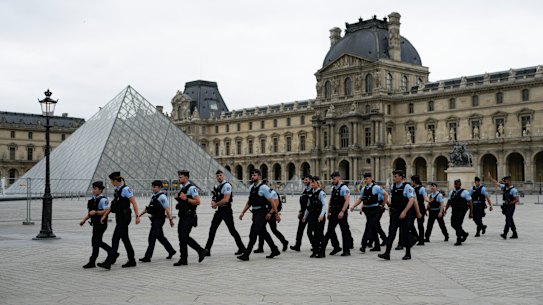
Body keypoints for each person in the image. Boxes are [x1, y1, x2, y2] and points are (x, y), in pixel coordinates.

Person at [97, 172, 141, 270]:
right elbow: (113, 205)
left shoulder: (125, 190)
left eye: (112, 181)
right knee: (125, 239)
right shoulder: (117, 190)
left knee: (115, 238)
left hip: (124, 218)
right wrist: (105, 215)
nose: (111, 183)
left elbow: (134, 202)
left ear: (116, 181)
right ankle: (132, 260)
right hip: (120, 217)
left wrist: (137, 216)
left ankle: (109, 262)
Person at [237, 169, 281, 261]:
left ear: (259, 177)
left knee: (253, 232)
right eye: (252, 175)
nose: (252, 176)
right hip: (255, 213)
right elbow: (250, 201)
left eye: (255, 175)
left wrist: (274, 213)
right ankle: (274, 249)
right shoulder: (252, 188)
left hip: (262, 212)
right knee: (263, 233)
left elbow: (272, 201)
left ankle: (246, 254)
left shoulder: (264, 188)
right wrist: (243, 212)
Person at [204, 170, 245, 256]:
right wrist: (213, 201)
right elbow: (215, 196)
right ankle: (207, 250)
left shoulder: (227, 185)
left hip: (226, 210)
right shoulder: (218, 186)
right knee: (212, 229)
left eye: (220, 175)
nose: (219, 177)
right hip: (220, 210)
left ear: (223, 176)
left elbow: (226, 199)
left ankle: (242, 248)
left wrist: (216, 204)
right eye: (218, 176)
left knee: (232, 230)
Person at [378, 170, 416, 261]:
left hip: (404, 214)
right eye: (393, 176)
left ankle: (408, 253)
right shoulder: (393, 186)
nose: (393, 178)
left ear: (401, 177)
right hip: (395, 213)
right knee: (391, 233)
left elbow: (412, 200)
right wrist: (390, 208)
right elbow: (392, 199)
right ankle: (387, 253)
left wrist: (405, 211)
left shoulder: (407, 187)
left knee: (405, 233)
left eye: (395, 176)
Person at [173, 170, 207, 266]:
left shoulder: (192, 188)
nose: (179, 178)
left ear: (186, 178)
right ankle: (183, 259)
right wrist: (178, 199)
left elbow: (197, 201)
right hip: (183, 216)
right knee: (181, 237)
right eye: (179, 177)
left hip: (189, 216)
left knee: (184, 236)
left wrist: (186, 199)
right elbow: (183, 202)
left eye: (180, 177)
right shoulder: (182, 188)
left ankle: (201, 250)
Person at [138, 180, 176, 263]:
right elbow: (148, 208)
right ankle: (171, 251)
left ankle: (147, 257)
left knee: (152, 237)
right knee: (160, 237)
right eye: (152, 187)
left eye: (154, 187)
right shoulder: (154, 196)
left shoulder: (162, 197)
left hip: (159, 220)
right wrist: (139, 215)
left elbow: (167, 209)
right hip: (155, 219)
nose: (153, 188)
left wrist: (171, 220)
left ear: (159, 188)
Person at [350, 173, 387, 253]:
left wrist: (383, 205)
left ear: (371, 178)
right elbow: (360, 199)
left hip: (375, 209)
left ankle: (363, 245)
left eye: (366, 179)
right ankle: (377, 246)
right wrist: (353, 206)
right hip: (367, 210)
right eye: (364, 179)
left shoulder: (376, 187)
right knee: (373, 227)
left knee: (369, 226)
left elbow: (385, 194)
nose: (365, 180)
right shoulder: (364, 189)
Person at [79, 181, 112, 269]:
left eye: (95, 189)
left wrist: (96, 212)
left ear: (100, 190)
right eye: (92, 188)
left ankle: (93, 261)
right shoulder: (93, 199)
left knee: (96, 242)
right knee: (96, 242)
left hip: (101, 223)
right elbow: (90, 212)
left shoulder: (103, 200)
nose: (93, 190)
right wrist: (84, 220)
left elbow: (107, 210)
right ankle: (112, 253)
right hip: (95, 223)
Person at [323, 171, 353, 256]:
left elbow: (347, 200)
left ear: (339, 178)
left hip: (341, 212)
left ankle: (346, 250)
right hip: (333, 212)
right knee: (330, 230)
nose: (333, 180)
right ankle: (336, 247)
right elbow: (331, 200)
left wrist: (342, 211)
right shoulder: (333, 188)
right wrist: (328, 211)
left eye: (334, 178)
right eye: (332, 178)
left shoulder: (344, 188)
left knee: (344, 231)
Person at [254, 180, 289, 253]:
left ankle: (284, 242)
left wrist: (271, 213)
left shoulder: (272, 192)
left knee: (273, 229)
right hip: (264, 212)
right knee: (261, 229)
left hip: (271, 213)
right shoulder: (262, 191)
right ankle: (260, 247)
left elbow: (276, 204)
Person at [488, 174, 520, 239]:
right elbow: (497, 183)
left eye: (505, 181)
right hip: (505, 206)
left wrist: (510, 203)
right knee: (510, 219)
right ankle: (515, 233)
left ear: (508, 181)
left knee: (508, 219)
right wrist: (491, 178)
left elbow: (517, 200)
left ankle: (505, 233)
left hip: (511, 206)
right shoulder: (504, 187)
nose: (504, 183)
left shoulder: (514, 190)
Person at [303, 176, 327, 258]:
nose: (312, 184)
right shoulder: (310, 192)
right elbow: (308, 205)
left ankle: (322, 252)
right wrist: (305, 216)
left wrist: (321, 215)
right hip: (312, 215)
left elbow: (324, 205)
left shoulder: (321, 193)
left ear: (317, 183)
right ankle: (315, 249)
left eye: (313, 182)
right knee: (309, 232)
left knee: (319, 235)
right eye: (311, 182)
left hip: (319, 215)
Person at [444, 179, 473, 246]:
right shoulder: (452, 192)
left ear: (460, 184)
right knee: (453, 224)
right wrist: (445, 210)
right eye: (455, 184)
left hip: (462, 211)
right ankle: (464, 234)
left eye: (457, 184)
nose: (456, 185)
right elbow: (449, 202)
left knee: (458, 224)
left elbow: (470, 202)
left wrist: (471, 213)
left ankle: (459, 239)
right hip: (454, 211)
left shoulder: (465, 192)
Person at [290, 174, 313, 251]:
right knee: (300, 230)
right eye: (304, 180)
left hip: (310, 213)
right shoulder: (305, 190)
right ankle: (297, 245)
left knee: (310, 231)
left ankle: (315, 245)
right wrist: (300, 211)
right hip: (303, 212)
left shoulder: (313, 190)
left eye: (306, 180)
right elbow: (303, 202)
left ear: (310, 180)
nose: (304, 181)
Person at [410, 175, 428, 246]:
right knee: (410, 222)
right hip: (413, 207)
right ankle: (416, 236)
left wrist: (428, 200)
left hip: (420, 207)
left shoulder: (422, 188)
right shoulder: (411, 188)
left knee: (420, 224)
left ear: (414, 181)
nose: (410, 182)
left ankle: (421, 240)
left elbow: (425, 196)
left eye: (411, 180)